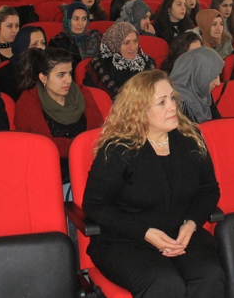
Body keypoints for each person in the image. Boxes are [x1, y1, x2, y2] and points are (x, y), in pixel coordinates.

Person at [83, 69, 226, 298]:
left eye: (172, 98)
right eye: (161, 102)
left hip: (181, 235)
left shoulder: (190, 139)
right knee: (165, 285)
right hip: (127, 240)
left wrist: (191, 224)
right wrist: (145, 232)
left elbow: (208, 190)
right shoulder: (119, 149)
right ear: (139, 111)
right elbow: (95, 205)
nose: (172, 107)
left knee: (209, 276)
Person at [13, 47, 105, 159]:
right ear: (43, 78)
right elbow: (37, 147)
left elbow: (97, 133)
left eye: (69, 73)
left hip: (88, 159)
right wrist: (79, 146)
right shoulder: (28, 102)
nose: (69, 80)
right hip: (50, 164)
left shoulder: (81, 93)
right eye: (61, 75)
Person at [89, 22, 156, 98]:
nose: (133, 47)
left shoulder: (146, 61)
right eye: (126, 43)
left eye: (135, 41)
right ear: (115, 43)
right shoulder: (101, 66)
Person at [170, 47, 223, 123]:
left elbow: (219, 124)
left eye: (219, 75)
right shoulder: (180, 102)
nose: (218, 83)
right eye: (214, 77)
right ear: (199, 74)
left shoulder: (202, 93)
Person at [0, 26, 46, 101]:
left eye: (43, 43)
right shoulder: (5, 74)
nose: (41, 47)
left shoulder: (49, 66)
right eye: (34, 44)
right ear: (22, 46)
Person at [49, 2, 102, 66]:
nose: (80, 23)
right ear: (67, 20)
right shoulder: (57, 42)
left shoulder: (95, 36)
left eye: (84, 19)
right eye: (76, 18)